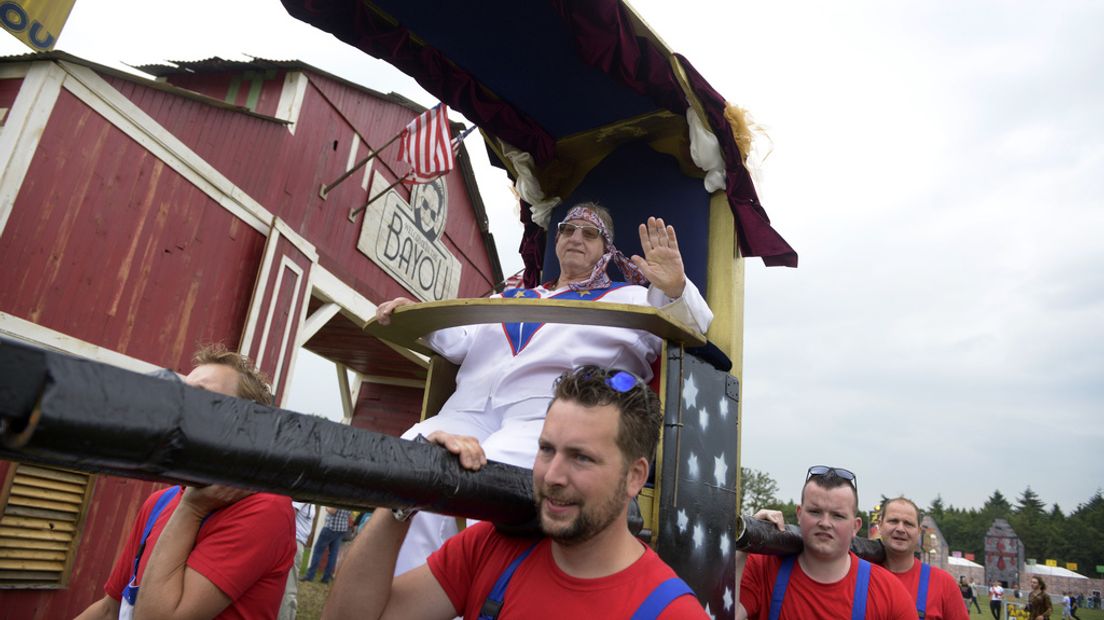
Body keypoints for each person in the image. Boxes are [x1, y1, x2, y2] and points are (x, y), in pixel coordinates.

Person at [374, 202, 713, 574]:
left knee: (490, 476)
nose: (576, 238)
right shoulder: (510, 296)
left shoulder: (631, 299)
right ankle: (399, 596)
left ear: (607, 247)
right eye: (568, 230)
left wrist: (675, 286)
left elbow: (696, 327)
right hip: (467, 408)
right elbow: (459, 339)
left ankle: (478, 602)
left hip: (547, 416)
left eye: (589, 233)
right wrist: (416, 314)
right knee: (413, 453)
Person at [323, 365, 709, 619]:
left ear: (634, 476)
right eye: (546, 449)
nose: (552, 475)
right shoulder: (491, 549)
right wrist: (406, 497)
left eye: (581, 458)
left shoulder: (670, 612)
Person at [75, 344, 295, 620]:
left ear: (246, 423)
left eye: (202, 400)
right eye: (182, 396)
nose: (182, 409)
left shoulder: (266, 508)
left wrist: (192, 509)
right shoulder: (161, 502)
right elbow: (111, 608)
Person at [733, 467, 915, 619]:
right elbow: (722, 614)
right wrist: (747, 538)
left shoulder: (889, 593)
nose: (825, 523)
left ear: (855, 526)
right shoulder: (763, 569)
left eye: (838, 515)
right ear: (799, 514)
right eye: (815, 512)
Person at [878, 497, 968, 619]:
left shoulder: (944, 584)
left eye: (908, 524)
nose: (900, 529)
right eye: (893, 521)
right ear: (880, 525)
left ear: (919, 531)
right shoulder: (859, 575)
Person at [278, 501, 316, 620]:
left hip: (296, 541)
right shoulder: (305, 493)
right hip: (294, 542)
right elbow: (290, 514)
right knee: (289, 591)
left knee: (287, 590)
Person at [301, 507, 352, 584]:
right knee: (333, 554)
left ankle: (310, 576)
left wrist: (326, 507)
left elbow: (333, 511)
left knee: (317, 551)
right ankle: (326, 578)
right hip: (341, 528)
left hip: (330, 527)